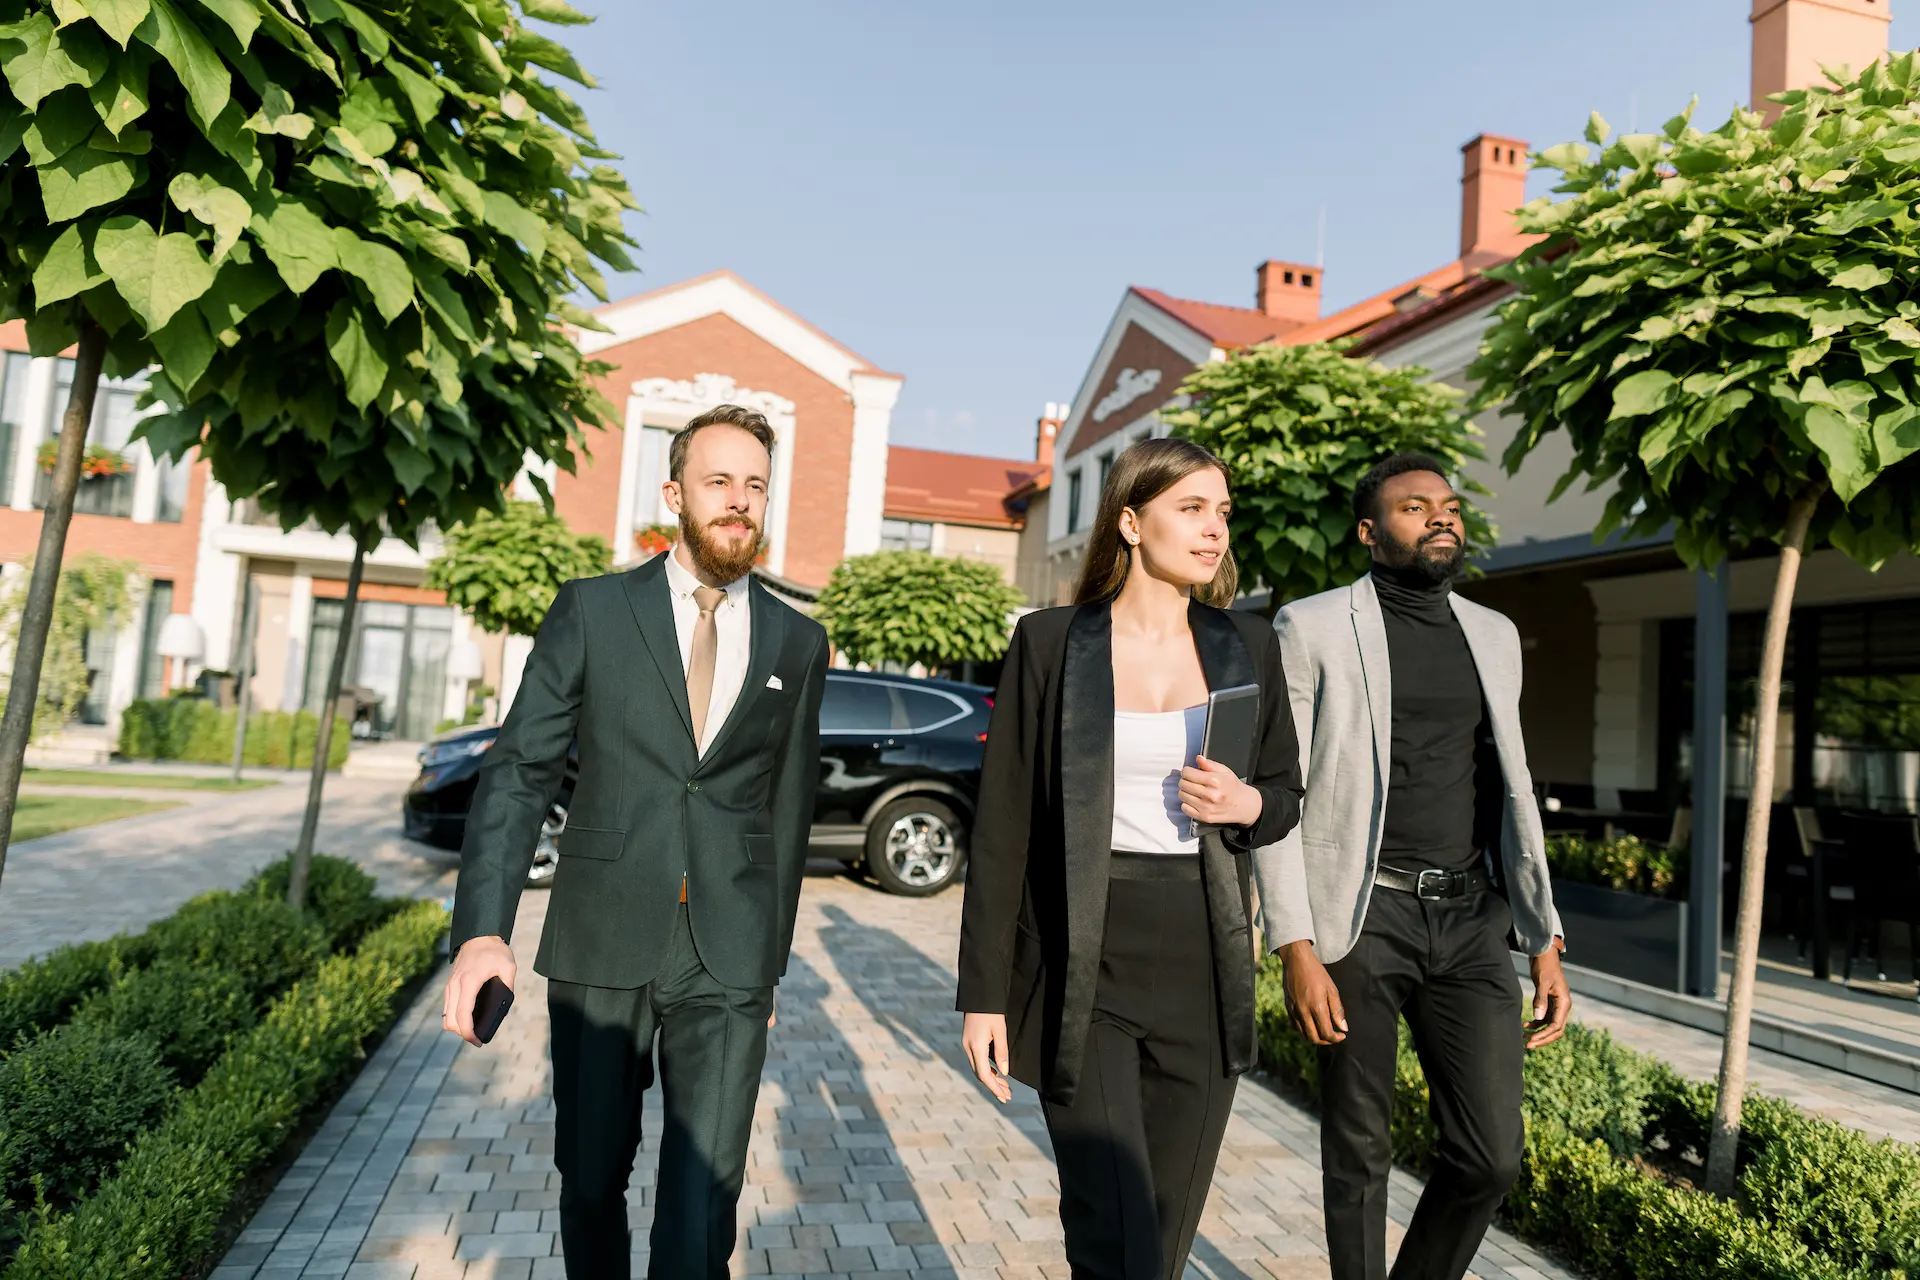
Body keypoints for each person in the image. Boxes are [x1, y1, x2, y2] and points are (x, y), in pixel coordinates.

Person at [441, 404, 828, 1280]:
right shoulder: (591, 611)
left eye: (756, 486)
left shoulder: (800, 642)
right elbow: (519, 773)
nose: (740, 502)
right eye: (719, 481)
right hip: (600, 941)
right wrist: (481, 933)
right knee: (590, 1179)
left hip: (728, 957)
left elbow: (789, 812)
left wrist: (769, 958)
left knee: (704, 1194)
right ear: (674, 493)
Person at [956, 437, 1304, 1280]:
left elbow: (1286, 792)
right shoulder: (1048, 643)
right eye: (1191, 508)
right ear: (1130, 521)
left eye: (1222, 511)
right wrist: (983, 996)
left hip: (1204, 958)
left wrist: (1248, 804)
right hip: (1082, 956)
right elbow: (1002, 826)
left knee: (1165, 1233)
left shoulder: (1246, 645)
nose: (1215, 528)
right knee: (1116, 1231)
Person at [1254, 452, 1571, 1280]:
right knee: (1359, 1146)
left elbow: (1514, 788)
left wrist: (1541, 936)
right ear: (1369, 532)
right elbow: (1279, 792)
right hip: (1360, 916)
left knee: (1491, 1154)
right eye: (1415, 507)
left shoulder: (1495, 635)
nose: (1441, 519)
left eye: (1452, 507)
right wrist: (1295, 945)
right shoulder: (1312, 626)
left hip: (1471, 919)